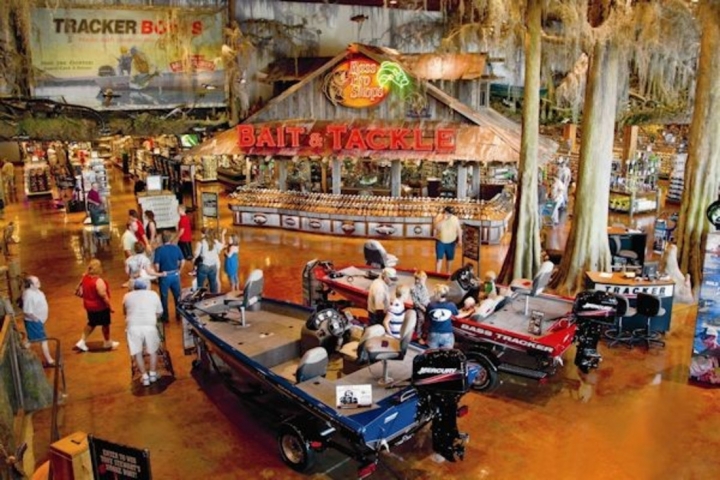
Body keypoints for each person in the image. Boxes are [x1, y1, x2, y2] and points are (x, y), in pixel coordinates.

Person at [123, 278, 163, 386]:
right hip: (149, 325)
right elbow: (159, 312)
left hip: (133, 326)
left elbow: (125, 311)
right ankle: (153, 374)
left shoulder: (127, 296)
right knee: (153, 350)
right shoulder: (153, 294)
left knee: (137, 352)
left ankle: (145, 377)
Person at [75, 259, 119, 352]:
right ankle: (107, 342)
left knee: (91, 323)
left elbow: (78, 288)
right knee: (105, 324)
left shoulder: (84, 278)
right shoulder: (98, 281)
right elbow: (103, 296)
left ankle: (82, 341)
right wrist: (109, 306)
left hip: (89, 306)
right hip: (100, 307)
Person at [22, 275, 54, 366]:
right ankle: (49, 360)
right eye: (36, 282)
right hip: (34, 322)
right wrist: (36, 320)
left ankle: (19, 353)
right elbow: (27, 311)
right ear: (31, 285)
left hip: (37, 322)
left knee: (30, 340)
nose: (39, 283)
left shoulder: (36, 291)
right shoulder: (29, 295)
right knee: (43, 340)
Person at [154, 231, 185, 323]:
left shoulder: (159, 250)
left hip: (165, 275)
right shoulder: (176, 248)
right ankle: (179, 314)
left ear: (162, 239)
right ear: (170, 238)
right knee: (178, 296)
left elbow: (156, 264)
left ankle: (165, 316)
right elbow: (183, 260)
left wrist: (158, 272)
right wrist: (179, 270)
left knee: (164, 297)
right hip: (175, 274)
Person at [426, 284, 458, 349]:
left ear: (437, 294)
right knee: (447, 355)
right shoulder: (451, 305)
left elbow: (427, 317)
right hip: (447, 333)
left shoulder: (431, 305)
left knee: (432, 355)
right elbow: (457, 315)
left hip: (433, 333)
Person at [433, 206, 463, 274]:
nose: (450, 215)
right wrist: (443, 219)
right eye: (448, 213)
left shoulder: (455, 218)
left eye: (451, 213)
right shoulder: (439, 217)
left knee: (450, 258)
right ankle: (437, 273)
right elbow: (436, 227)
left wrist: (460, 240)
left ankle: (448, 272)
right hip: (441, 241)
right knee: (439, 258)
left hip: (451, 242)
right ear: (445, 212)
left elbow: (459, 229)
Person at [193, 228, 223, 294]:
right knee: (213, 284)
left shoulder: (200, 242)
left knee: (200, 285)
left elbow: (196, 255)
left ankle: (200, 298)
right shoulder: (215, 241)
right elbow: (221, 247)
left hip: (204, 265)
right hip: (213, 266)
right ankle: (213, 299)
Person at [410, 270, 431, 341]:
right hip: (419, 307)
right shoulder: (413, 289)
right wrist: (422, 307)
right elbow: (415, 301)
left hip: (426, 304)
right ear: (417, 280)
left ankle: (424, 332)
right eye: (422, 280)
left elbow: (426, 296)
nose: (424, 281)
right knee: (421, 319)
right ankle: (418, 335)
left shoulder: (423, 286)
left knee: (427, 319)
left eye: (425, 279)